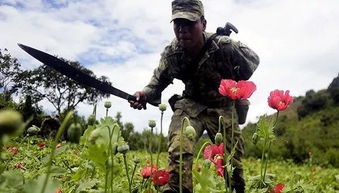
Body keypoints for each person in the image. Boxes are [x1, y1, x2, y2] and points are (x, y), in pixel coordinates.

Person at [129, 0, 259, 192]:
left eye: (189, 23)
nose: (182, 30)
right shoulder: (172, 53)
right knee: (178, 149)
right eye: (178, 24)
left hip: (223, 106)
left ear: (203, 24)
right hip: (191, 106)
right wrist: (143, 94)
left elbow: (251, 64)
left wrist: (231, 57)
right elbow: (158, 81)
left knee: (233, 163)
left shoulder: (223, 46)